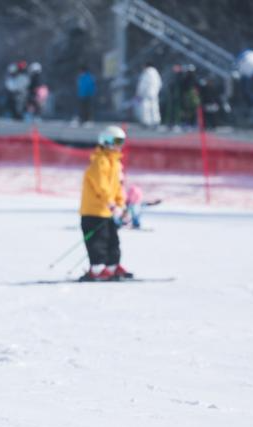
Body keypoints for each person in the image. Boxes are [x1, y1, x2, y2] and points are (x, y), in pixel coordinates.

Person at [78, 125, 132, 281]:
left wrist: (120, 204)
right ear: (106, 141)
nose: (119, 145)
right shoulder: (100, 162)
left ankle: (112, 266)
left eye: (121, 142)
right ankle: (97, 269)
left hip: (106, 211)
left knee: (113, 240)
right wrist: (111, 203)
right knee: (97, 242)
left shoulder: (114, 163)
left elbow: (117, 186)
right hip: (93, 211)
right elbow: (101, 186)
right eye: (116, 141)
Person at [135, 62, 162, 127]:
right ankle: (156, 121)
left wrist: (139, 93)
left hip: (146, 94)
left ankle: (146, 122)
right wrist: (156, 91)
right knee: (154, 107)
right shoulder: (156, 73)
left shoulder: (146, 73)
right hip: (154, 93)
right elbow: (160, 83)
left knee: (145, 107)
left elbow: (143, 84)